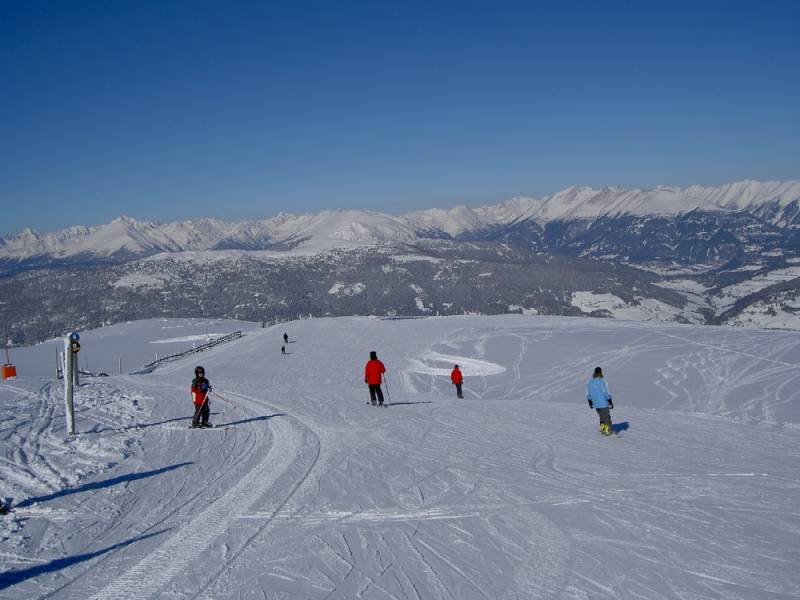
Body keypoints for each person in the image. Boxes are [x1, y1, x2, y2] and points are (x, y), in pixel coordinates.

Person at [586, 366, 614, 435]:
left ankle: (602, 427)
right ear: (601, 372)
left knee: (601, 416)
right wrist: (610, 401)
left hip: (596, 404)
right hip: (603, 403)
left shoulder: (589, 382)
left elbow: (588, 393)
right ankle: (607, 430)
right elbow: (606, 392)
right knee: (606, 416)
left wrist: (590, 402)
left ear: (594, 373)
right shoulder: (603, 381)